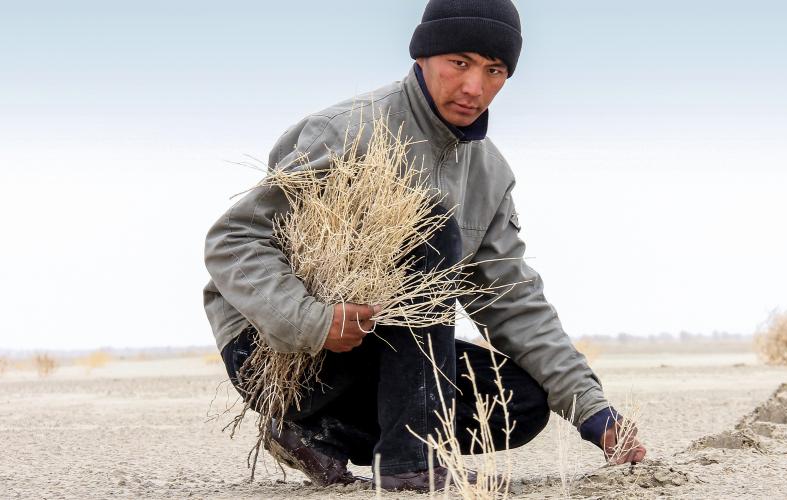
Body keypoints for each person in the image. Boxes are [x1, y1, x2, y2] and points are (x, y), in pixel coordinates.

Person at [202, 0, 645, 491]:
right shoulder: (347, 131)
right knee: (430, 223)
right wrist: (313, 320)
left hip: (387, 360)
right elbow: (234, 239)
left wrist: (593, 411)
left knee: (522, 400)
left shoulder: (489, 173)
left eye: (493, 70)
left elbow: (513, 301)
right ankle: (409, 460)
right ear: (423, 57)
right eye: (460, 63)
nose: (475, 87)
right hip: (281, 354)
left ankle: (319, 434)